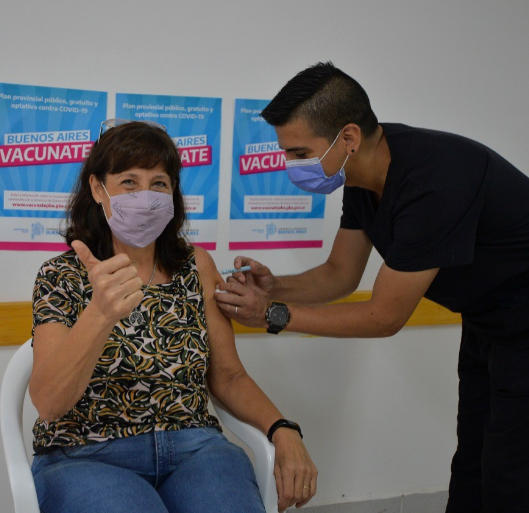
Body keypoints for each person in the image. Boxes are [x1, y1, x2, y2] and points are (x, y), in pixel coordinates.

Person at [214, 62, 529, 512]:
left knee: (510, 473)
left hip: (522, 321)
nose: (291, 166)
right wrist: (274, 287)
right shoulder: (364, 174)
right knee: (473, 459)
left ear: (348, 138)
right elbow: (340, 274)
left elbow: (384, 317)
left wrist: (271, 315)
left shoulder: (435, 181)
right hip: (488, 319)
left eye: (300, 153)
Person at [28, 119, 317, 513]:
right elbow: (48, 403)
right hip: (86, 455)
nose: (145, 197)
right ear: (98, 189)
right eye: (129, 182)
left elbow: (229, 377)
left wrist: (283, 429)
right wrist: (100, 313)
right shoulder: (60, 275)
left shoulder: (196, 266)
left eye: (159, 184)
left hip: (194, 448)